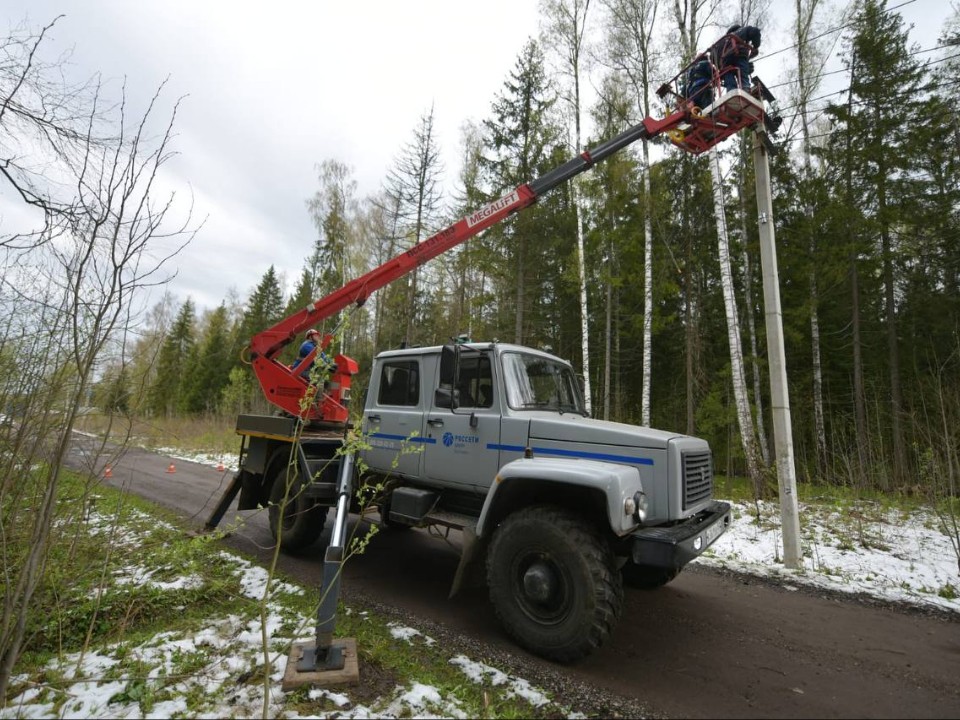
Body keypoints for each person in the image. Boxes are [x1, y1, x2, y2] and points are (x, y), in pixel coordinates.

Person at [710, 24, 761, 92]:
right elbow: (755, 31)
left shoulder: (721, 42)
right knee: (743, 71)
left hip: (725, 61)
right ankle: (745, 88)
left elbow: (712, 57)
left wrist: (719, 66)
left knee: (727, 72)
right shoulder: (742, 30)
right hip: (739, 55)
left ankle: (731, 90)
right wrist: (755, 46)